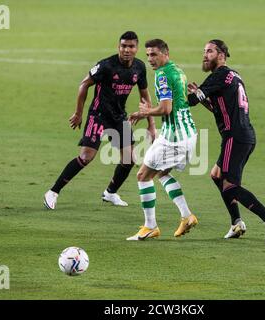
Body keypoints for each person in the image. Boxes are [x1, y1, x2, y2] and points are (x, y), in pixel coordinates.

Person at [44, 31, 156, 209]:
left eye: (131, 46)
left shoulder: (139, 68)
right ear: (118, 47)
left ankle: (110, 193)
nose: (127, 50)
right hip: (98, 115)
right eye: (123, 46)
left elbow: (145, 96)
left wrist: (151, 125)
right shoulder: (106, 65)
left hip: (119, 117)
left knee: (128, 160)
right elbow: (84, 84)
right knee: (86, 157)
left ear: (136, 48)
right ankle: (53, 192)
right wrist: (78, 113)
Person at [187, 39, 265, 246]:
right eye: (204, 51)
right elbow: (219, 108)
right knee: (216, 175)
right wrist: (202, 97)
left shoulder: (219, 75)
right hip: (242, 134)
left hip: (235, 136)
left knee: (230, 186)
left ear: (221, 54)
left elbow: (191, 101)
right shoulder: (234, 75)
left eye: (210, 51)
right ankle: (236, 223)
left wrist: (174, 99)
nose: (205, 55)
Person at [126, 39, 198, 241]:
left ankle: (150, 226)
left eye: (154, 54)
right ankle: (186, 215)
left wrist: (145, 112)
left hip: (174, 138)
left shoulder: (162, 75)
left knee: (143, 176)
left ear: (165, 54)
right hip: (188, 133)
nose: (150, 59)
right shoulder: (178, 70)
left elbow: (166, 108)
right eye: (148, 55)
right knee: (162, 173)